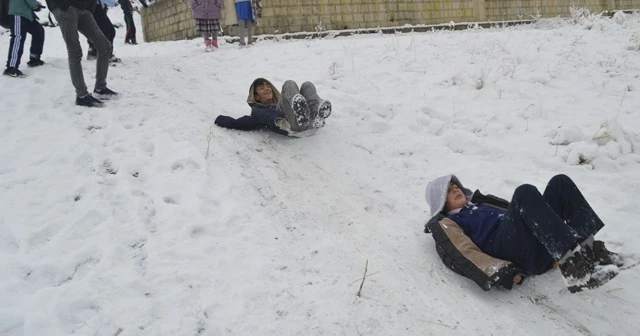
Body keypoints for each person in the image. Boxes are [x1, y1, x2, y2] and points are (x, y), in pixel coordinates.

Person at [425, 174, 623, 293]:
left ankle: (588, 252)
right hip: (507, 250)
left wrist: (549, 252)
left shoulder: (481, 203)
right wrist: (503, 272)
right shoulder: (449, 223)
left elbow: (529, 213)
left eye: (455, 185)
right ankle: (575, 268)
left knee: (559, 183)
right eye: (448, 190)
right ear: (440, 202)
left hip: (529, 245)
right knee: (524, 192)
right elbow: (464, 254)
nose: (455, 189)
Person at [47, 0, 117, 107]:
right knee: (75, 52)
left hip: (84, 8)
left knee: (105, 46)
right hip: (65, 8)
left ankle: (100, 87)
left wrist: (90, 8)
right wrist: (65, 6)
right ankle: (81, 95)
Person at [214, 78, 332, 136]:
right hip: (291, 125)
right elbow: (242, 123)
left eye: (267, 86)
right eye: (262, 88)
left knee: (307, 85)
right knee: (289, 84)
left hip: (309, 123)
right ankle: (302, 116)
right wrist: (223, 120)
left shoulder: (281, 102)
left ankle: (316, 116)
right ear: (257, 97)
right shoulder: (257, 111)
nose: (267, 88)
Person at [3, 0, 46, 77]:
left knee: (39, 31)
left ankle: (34, 57)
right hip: (17, 12)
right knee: (18, 38)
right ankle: (11, 67)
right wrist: (36, 5)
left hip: (27, 14)